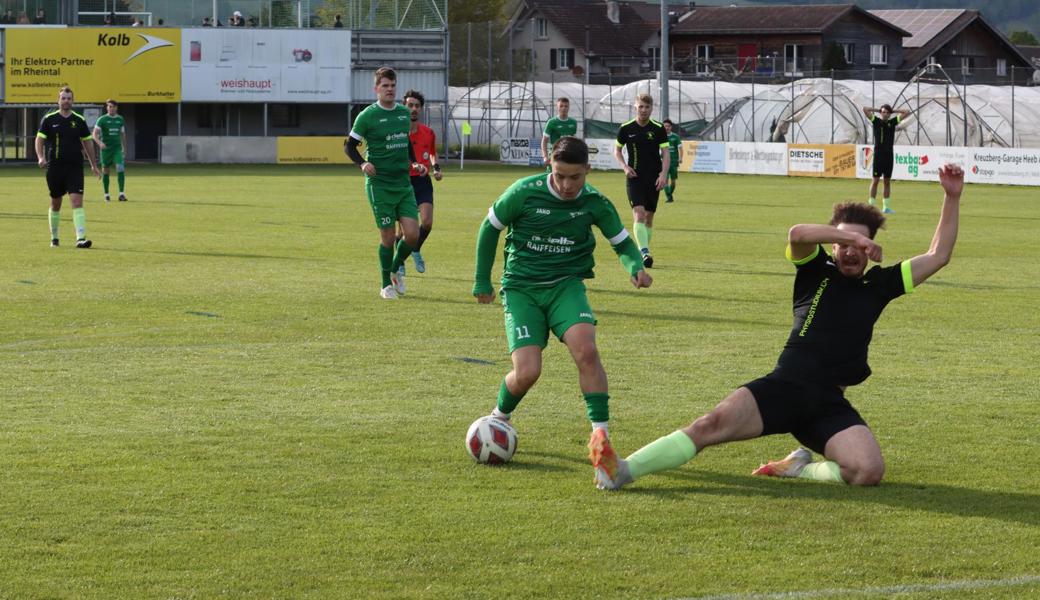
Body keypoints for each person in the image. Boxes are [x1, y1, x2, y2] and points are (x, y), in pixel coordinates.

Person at [596, 165, 965, 491]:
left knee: (867, 471)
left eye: (859, 246)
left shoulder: (880, 285)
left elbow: (939, 255)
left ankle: (797, 470)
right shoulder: (813, 269)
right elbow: (797, 233)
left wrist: (951, 197)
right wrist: (848, 236)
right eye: (842, 243)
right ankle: (623, 470)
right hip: (784, 387)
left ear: (870, 251)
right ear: (834, 245)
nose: (851, 252)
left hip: (828, 404)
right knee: (709, 425)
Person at [473, 136, 653, 481]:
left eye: (575, 177)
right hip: (522, 289)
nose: (567, 184)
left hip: (566, 287)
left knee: (586, 349)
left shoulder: (595, 202)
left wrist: (635, 268)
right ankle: (499, 415)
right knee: (527, 372)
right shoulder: (523, 192)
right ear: (549, 168)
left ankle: (601, 437)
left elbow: (622, 242)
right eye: (559, 176)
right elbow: (489, 228)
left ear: (587, 170)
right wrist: (483, 280)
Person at [344, 67, 428, 300]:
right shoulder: (367, 116)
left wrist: (414, 163)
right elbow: (349, 146)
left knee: (412, 235)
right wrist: (362, 163)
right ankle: (385, 285)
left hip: (403, 184)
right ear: (376, 89)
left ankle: (395, 268)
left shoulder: (403, 113)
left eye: (392, 86)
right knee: (388, 237)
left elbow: (405, 143)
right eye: (385, 86)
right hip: (379, 185)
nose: (389, 89)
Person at [35, 87, 101, 249]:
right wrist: (41, 157)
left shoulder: (79, 120)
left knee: (77, 201)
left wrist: (93, 164)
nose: (66, 101)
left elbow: (87, 142)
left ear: (73, 100)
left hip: (75, 167)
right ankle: (55, 238)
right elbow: (39, 139)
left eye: (69, 98)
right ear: (58, 100)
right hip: (55, 167)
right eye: (63, 98)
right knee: (56, 203)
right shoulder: (49, 119)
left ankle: (80, 238)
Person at [614, 93, 669, 268]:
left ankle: (644, 248)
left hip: (654, 179)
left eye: (647, 107)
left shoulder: (659, 129)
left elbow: (666, 155)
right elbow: (617, 150)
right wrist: (624, 167)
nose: (643, 110)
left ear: (652, 108)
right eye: (640, 106)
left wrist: (663, 175)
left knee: (649, 218)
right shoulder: (626, 128)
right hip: (634, 178)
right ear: (635, 107)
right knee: (639, 214)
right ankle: (645, 253)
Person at [395, 89, 441, 275]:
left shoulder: (428, 132)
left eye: (417, 106)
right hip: (403, 182)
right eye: (410, 105)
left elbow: (431, 152)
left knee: (427, 223)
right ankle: (399, 262)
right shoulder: (398, 133)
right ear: (404, 107)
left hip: (423, 182)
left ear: (421, 109)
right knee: (402, 231)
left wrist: (436, 167)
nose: (413, 109)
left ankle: (415, 249)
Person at [863, 103, 911, 214]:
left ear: (889, 114)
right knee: (875, 181)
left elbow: (907, 112)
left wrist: (893, 111)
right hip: (878, 156)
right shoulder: (876, 120)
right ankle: (871, 207)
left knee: (887, 182)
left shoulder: (892, 122)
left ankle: (886, 207)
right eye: (883, 112)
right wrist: (878, 109)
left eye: (887, 112)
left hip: (889, 156)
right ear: (881, 113)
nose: (885, 114)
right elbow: (865, 109)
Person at [92, 99, 129, 202]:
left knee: (120, 167)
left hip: (117, 148)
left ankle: (121, 194)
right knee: (106, 170)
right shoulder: (102, 119)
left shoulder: (120, 119)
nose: (111, 108)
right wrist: (100, 143)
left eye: (113, 107)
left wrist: (124, 148)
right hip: (106, 149)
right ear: (107, 108)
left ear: (116, 108)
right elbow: (94, 135)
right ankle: (106, 194)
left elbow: (122, 134)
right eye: (109, 106)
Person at [540, 97, 577, 169]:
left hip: (568, 158)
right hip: (555, 157)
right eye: (561, 106)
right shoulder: (552, 122)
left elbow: (573, 140)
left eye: (566, 106)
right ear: (557, 107)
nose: (564, 108)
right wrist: (545, 157)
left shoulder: (573, 122)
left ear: (569, 107)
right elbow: (544, 141)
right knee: (553, 179)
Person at [662, 119, 683, 203]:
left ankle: (669, 194)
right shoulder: (661, 137)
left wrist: (680, 157)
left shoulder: (675, 137)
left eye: (668, 126)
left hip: (674, 162)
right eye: (665, 126)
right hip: (664, 162)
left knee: (673, 182)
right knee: (665, 180)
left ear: (671, 127)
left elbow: (680, 148)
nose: (666, 128)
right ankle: (669, 197)